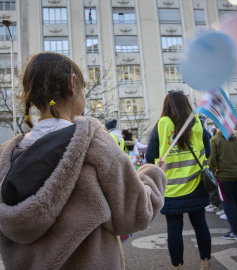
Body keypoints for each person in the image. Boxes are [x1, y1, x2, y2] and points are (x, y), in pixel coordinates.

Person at [0, 52, 167, 270]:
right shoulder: (94, 142)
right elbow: (136, 214)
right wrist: (152, 174)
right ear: (72, 84)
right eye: (84, 88)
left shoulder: (6, 156)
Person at [146, 92, 211, 270]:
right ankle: (206, 264)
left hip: (170, 187)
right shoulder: (197, 122)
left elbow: (150, 156)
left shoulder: (161, 125)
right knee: (200, 225)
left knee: (174, 229)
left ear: (167, 106)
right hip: (196, 184)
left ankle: (178, 267)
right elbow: (208, 150)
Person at [208, 125, 237, 241]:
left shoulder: (215, 140)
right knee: (236, 201)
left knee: (227, 203)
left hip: (224, 176)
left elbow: (211, 160)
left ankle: (236, 230)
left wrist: (213, 173)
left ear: (216, 126)